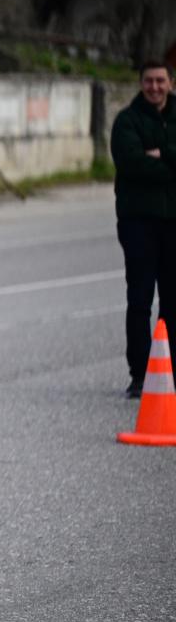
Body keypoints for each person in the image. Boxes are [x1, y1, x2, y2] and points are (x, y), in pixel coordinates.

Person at [110, 61, 176, 398]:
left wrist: (162, 153)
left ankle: (169, 370)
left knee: (173, 299)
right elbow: (132, 164)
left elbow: (147, 163)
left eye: (160, 80)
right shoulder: (127, 121)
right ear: (141, 83)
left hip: (173, 223)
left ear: (170, 82)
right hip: (138, 223)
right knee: (139, 299)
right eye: (149, 81)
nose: (155, 87)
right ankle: (139, 374)